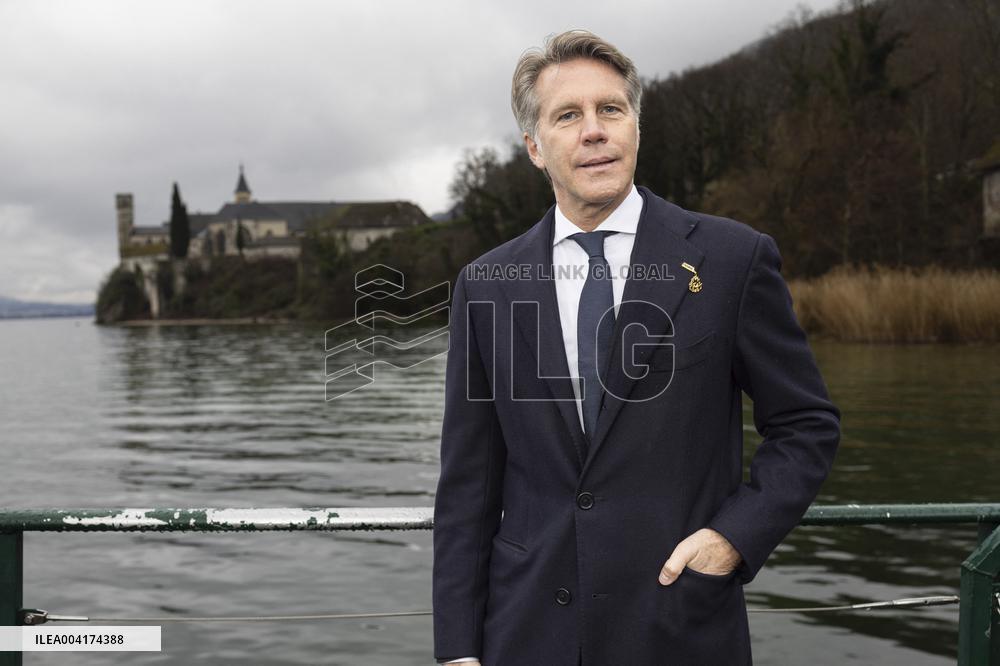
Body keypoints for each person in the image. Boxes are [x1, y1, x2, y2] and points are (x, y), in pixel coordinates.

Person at [432, 29, 840, 666]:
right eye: (568, 116)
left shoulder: (733, 260)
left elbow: (806, 426)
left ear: (636, 127)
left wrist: (733, 539)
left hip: (679, 625)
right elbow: (467, 486)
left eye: (611, 110)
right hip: (526, 633)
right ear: (535, 147)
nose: (594, 131)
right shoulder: (486, 285)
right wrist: (457, 648)